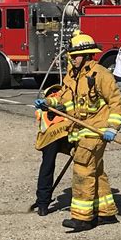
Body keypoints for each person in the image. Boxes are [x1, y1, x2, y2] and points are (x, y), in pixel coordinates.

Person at [34, 33, 121, 232]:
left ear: (86, 55)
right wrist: (48, 103)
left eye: (75, 55)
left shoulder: (101, 75)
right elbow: (65, 101)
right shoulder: (72, 76)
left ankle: (82, 218)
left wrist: (111, 128)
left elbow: (117, 104)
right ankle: (106, 213)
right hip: (81, 131)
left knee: (83, 169)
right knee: (96, 171)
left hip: (96, 131)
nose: (71, 58)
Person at [34, 84, 74, 217]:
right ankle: (43, 203)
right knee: (83, 162)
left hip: (53, 137)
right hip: (63, 135)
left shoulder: (47, 103)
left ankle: (42, 204)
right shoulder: (49, 103)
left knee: (47, 167)